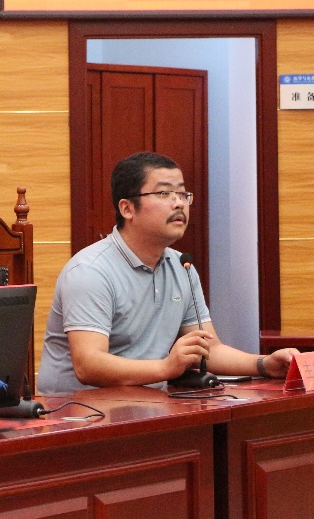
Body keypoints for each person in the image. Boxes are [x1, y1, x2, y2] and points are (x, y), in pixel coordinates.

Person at [36, 151, 296, 393]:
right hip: (77, 412)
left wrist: (264, 364)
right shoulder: (90, 271)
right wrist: (165, 368)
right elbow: (88, 365)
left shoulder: (182, 266)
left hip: (144, 406)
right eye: (164, 193)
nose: (179, 203)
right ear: (127, 208)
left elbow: (210, 350)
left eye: (182, 194)